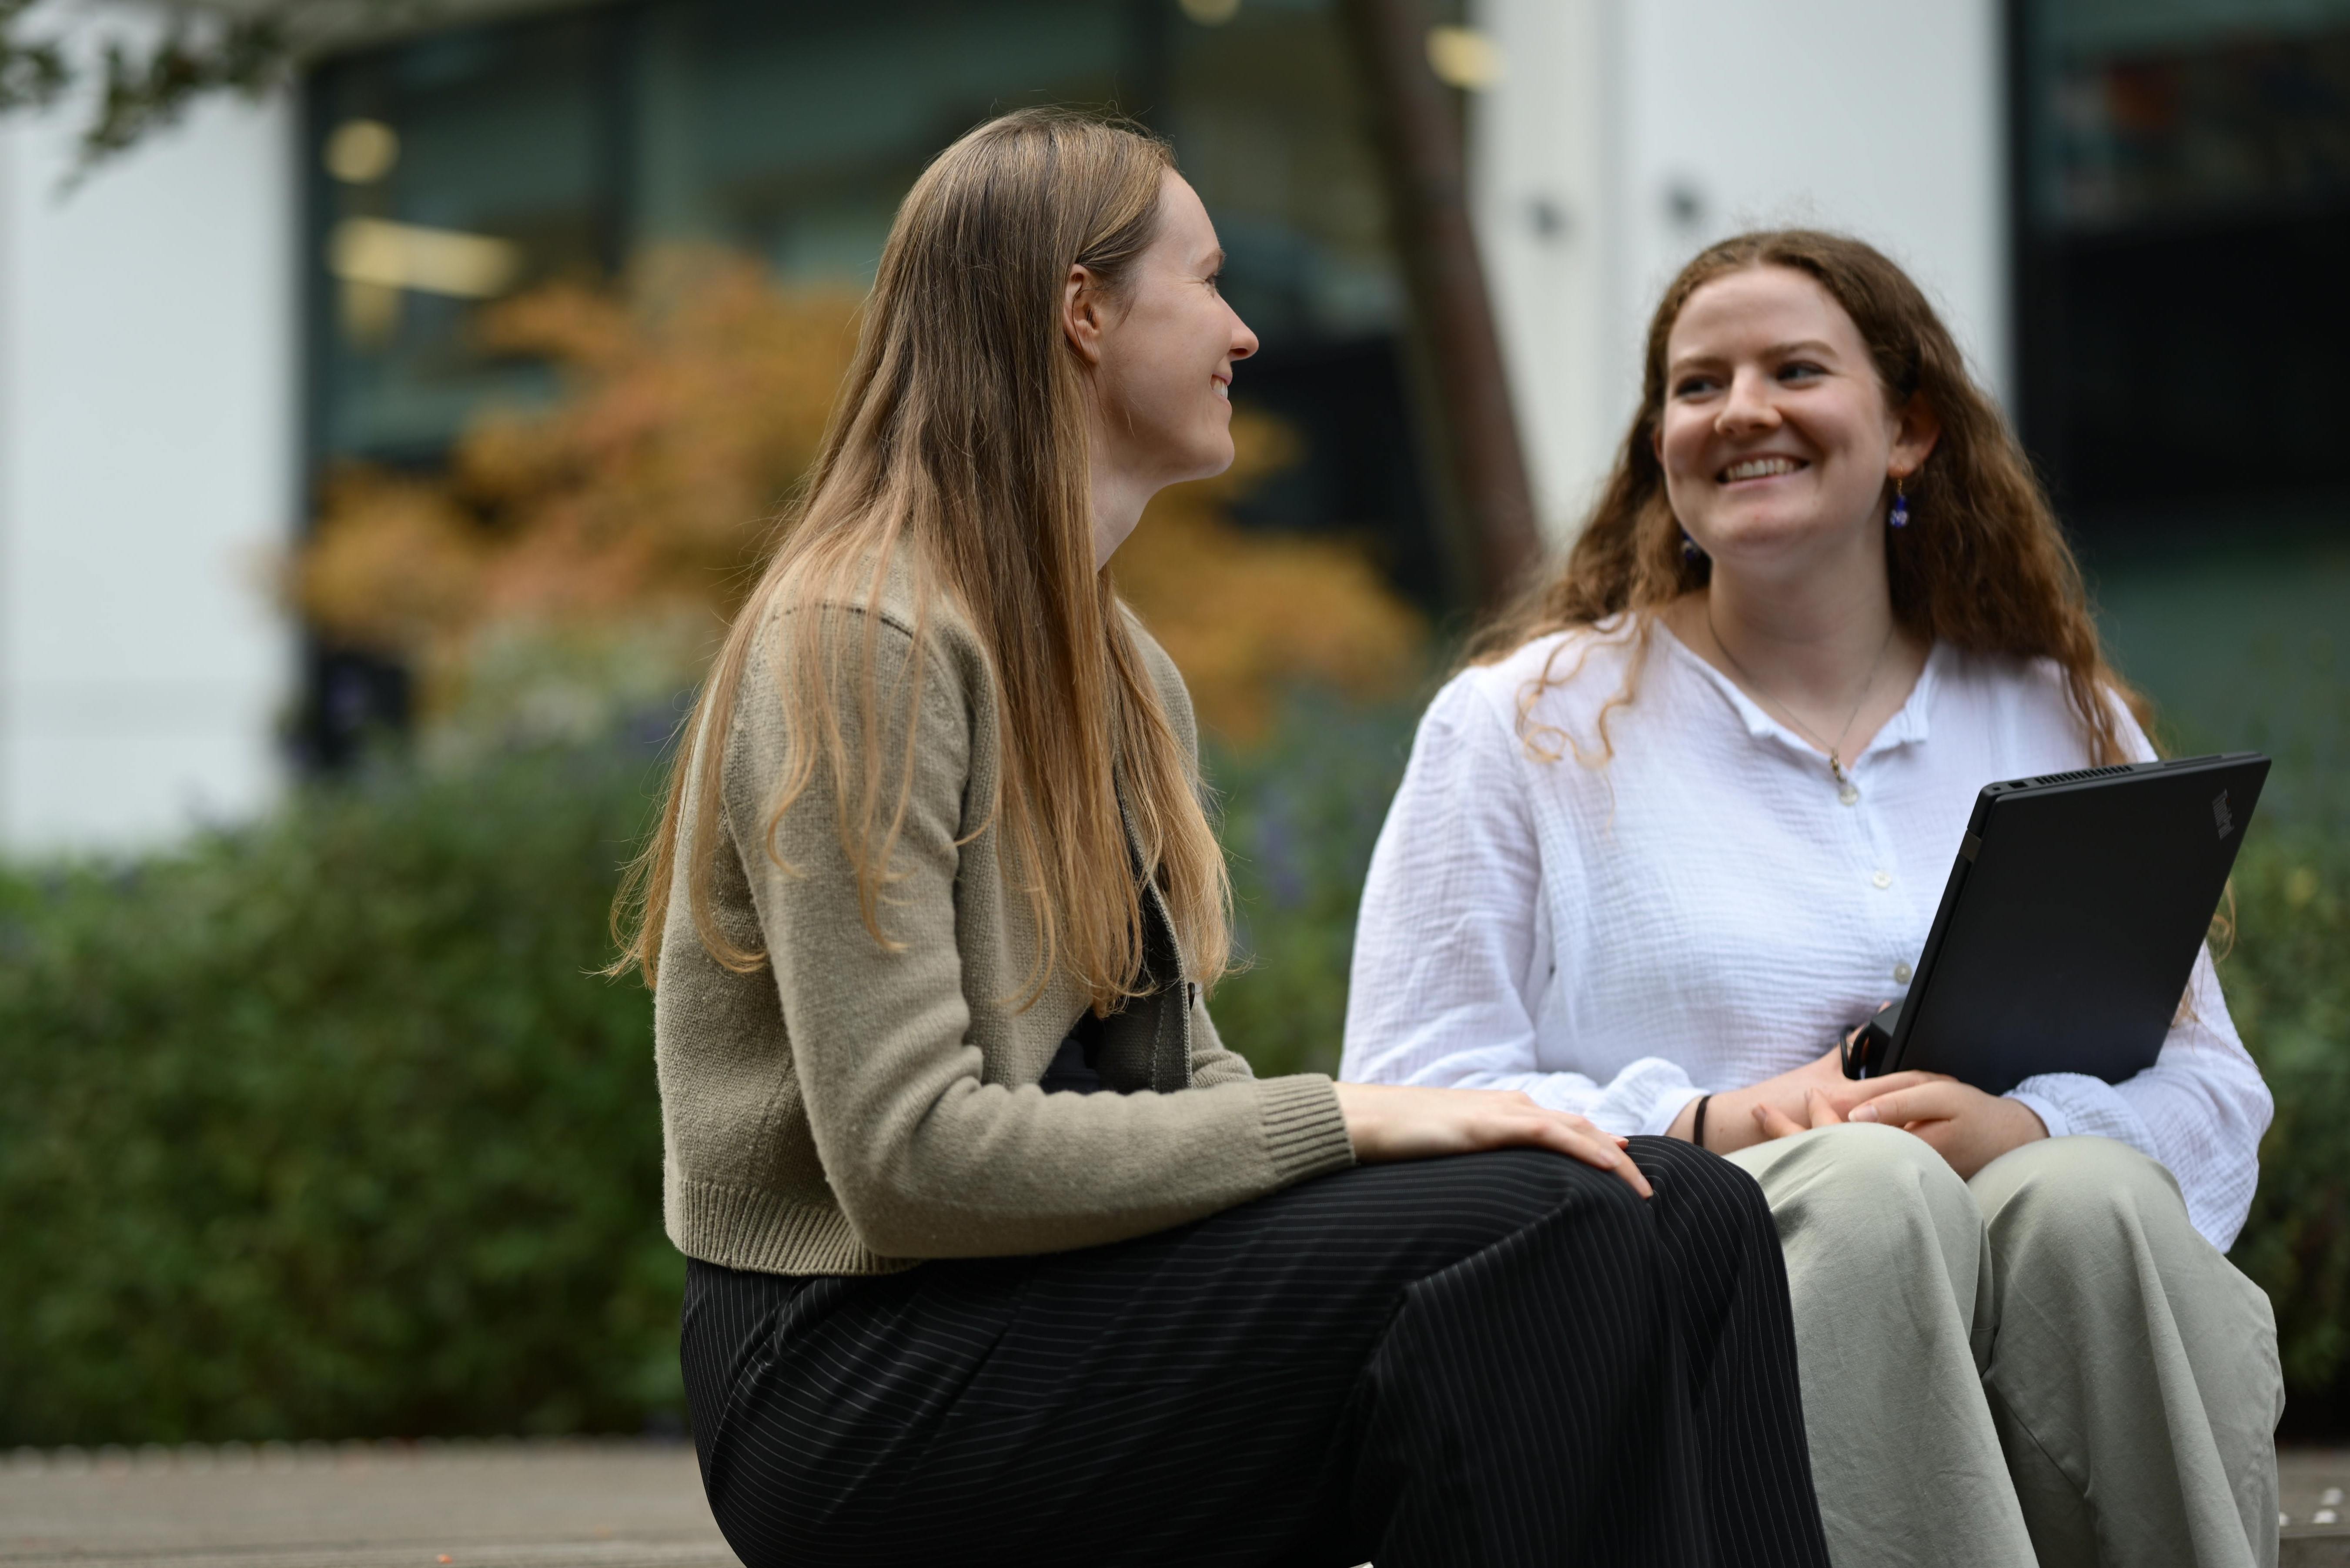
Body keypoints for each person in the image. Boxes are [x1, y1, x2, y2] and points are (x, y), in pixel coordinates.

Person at [611, 111, 1830, 1568]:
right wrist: (1358, 1117)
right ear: (1082, 313)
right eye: (1208, 280)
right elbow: (907, 1160)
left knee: (1683, 1208)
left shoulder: (1120, 669)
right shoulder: (859, 635)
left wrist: (1355, 1147)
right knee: (1540, 1226)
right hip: (848, 1369)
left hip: (1056, 1303)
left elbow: (1170, 1092)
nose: (1246, 333)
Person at [1342, 229, 2282, 1568]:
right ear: (1659, 447)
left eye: (1792, 369)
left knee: (2088, 1201)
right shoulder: (1525, 724)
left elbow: (2214, 1098)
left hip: (2044, 1290)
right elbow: (1409, 1082)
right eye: (1695, 384)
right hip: (1680, 1299)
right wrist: (1705, 1120)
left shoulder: (2050, 713)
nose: (1740, 412)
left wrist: (2021, 1128)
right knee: (1866, 1186)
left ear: (1906, 431)